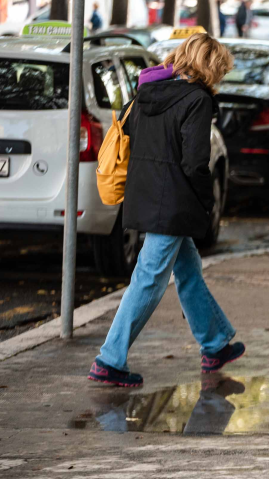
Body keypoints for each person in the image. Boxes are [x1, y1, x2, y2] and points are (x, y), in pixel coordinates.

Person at [88, 33, 241, 388]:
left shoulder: (147, 92)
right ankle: (109, 360)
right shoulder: (197, 101)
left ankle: (215, 344)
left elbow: (132, 138)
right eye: (219, 69)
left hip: (145, 198)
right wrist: (207, 203)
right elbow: (195, 163)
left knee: (187, 270)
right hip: (173, 205)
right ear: (210, 66)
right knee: (148, 279)